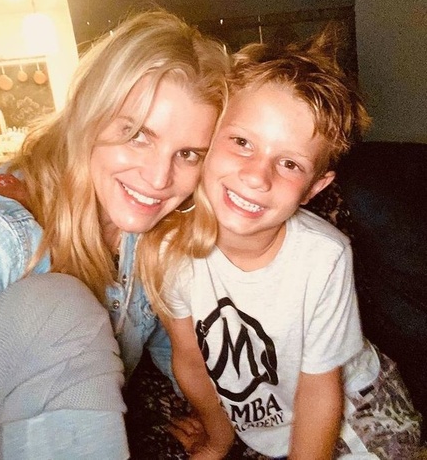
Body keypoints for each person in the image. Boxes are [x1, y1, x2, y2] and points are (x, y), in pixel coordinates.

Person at [0, 10, 229, 459]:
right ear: (88, 116)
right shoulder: (7, 227)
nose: (159, 178)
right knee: (57, 301)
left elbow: (170, 339)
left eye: (187, 153)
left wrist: (215, 415)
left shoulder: (151, 236)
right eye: (138, 135)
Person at [140, 30, 422, 459]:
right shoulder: (168, 251)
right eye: (242, 143)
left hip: (355, 410)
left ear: (314, 188)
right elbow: (191, 360)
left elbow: (320, 392)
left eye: (289, 163)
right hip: (264, 423)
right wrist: (218, 438)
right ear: (209, 138)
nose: (257, 176)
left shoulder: (324, 257)